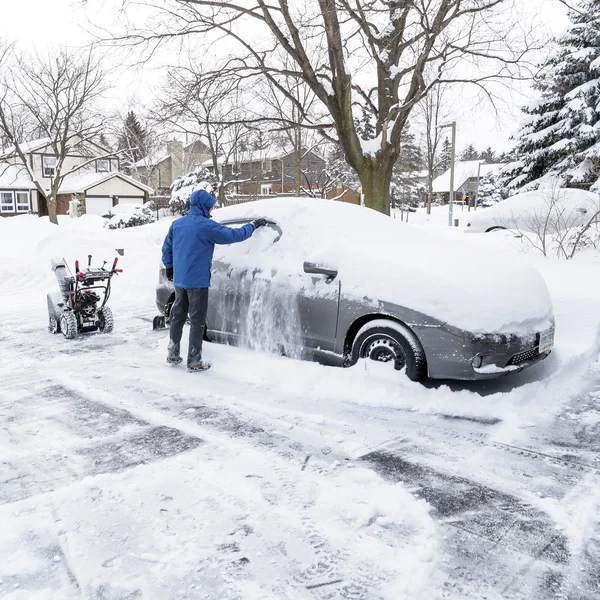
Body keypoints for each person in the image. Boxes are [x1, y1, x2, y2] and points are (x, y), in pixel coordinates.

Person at [161, 189, 266, 372]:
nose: (211, 211)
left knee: (177, 316)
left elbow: (166, 248)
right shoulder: (205, 226)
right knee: (197, 320)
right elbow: (234, 235)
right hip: (198, 282)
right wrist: (253, 225)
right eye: (209, 207)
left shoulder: (177, 224)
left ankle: (173, 352)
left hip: (180, 280)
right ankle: (194, 361)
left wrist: (170, 266)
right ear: (202, 206)